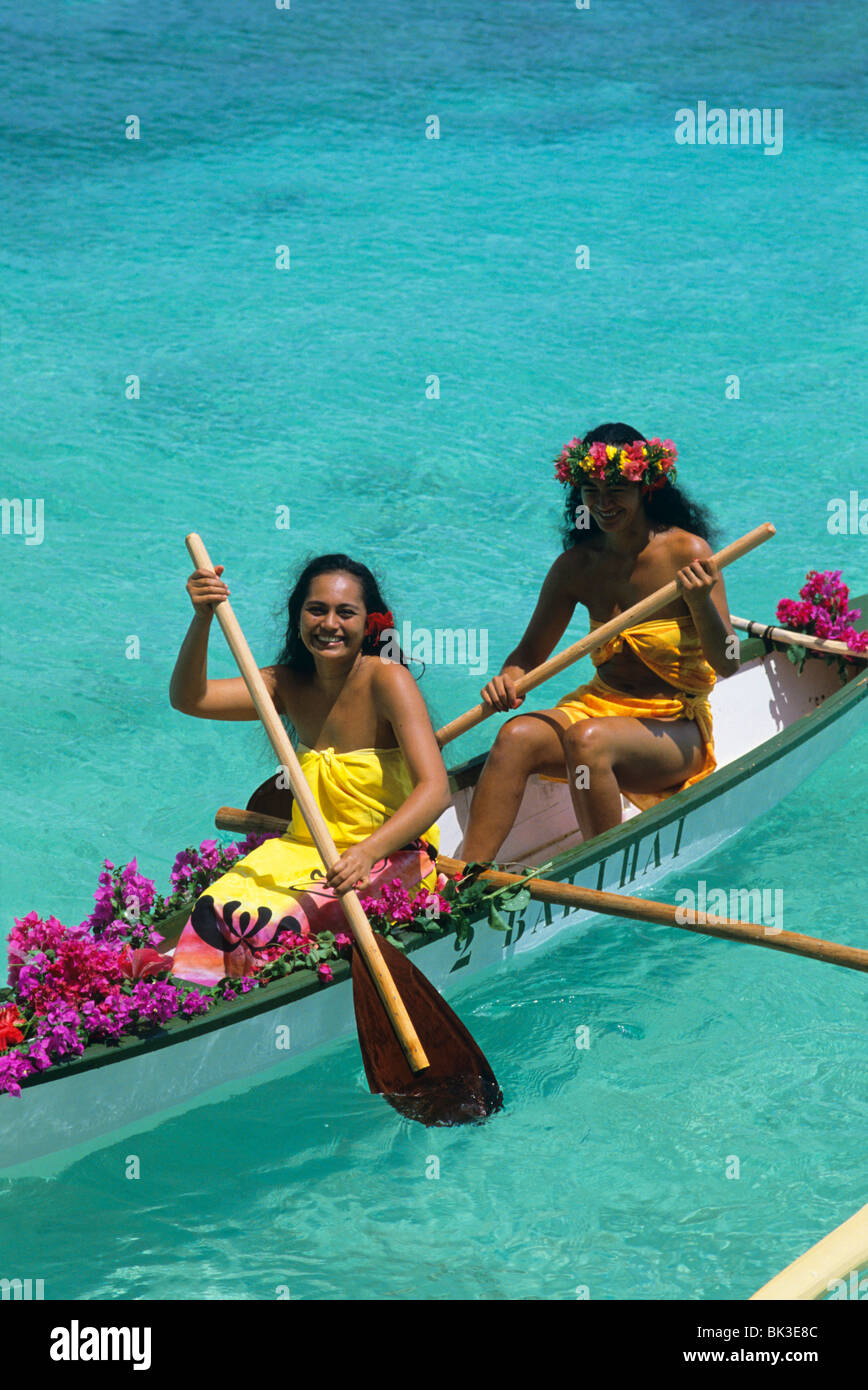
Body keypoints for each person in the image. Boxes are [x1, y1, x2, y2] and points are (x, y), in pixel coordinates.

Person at [167, 554, 451, 985]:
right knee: (213, 910)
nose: (329, 623)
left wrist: (366, 853)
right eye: (317, 610)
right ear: (298, 616)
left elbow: (435, 791)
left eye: (345, 612)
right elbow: (191, 699)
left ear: (369, 622)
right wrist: (202, 619)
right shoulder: (286, 684)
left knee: (273, 926)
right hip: (301, 851)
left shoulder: (388, 680)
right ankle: (203, 1000)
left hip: (388, 855)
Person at [460, 423, 738, 860]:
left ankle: (601, 873)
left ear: (646, 487)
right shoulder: (577, 566)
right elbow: (529, 654)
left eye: (616, 490)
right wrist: (508, 677)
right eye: (591, 490)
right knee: (516, 736)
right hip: (599, 708)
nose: (603, 504)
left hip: (675, 728)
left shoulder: (688, 552)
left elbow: (730, 662)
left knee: (587, 741)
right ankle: (462, 881)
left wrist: (701, 602)